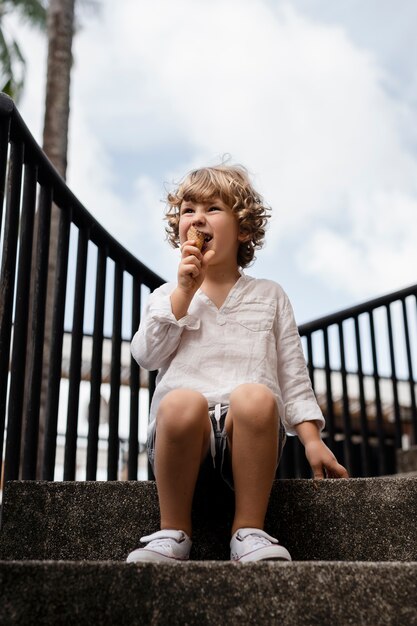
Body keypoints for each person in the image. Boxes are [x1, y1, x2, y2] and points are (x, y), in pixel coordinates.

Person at [127, 163, 348, 564]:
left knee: (258, 397)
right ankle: (172, 531)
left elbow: (293, 376)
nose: (196, 217)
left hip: (247, 442)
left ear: (243, 229)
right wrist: (183, 293)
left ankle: (248, 530)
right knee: (179, 401)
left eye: (212, 208)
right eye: (188, 208)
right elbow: (146, 355)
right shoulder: (167, 295)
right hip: (182, 441)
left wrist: (312, 440)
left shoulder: (270, 296)